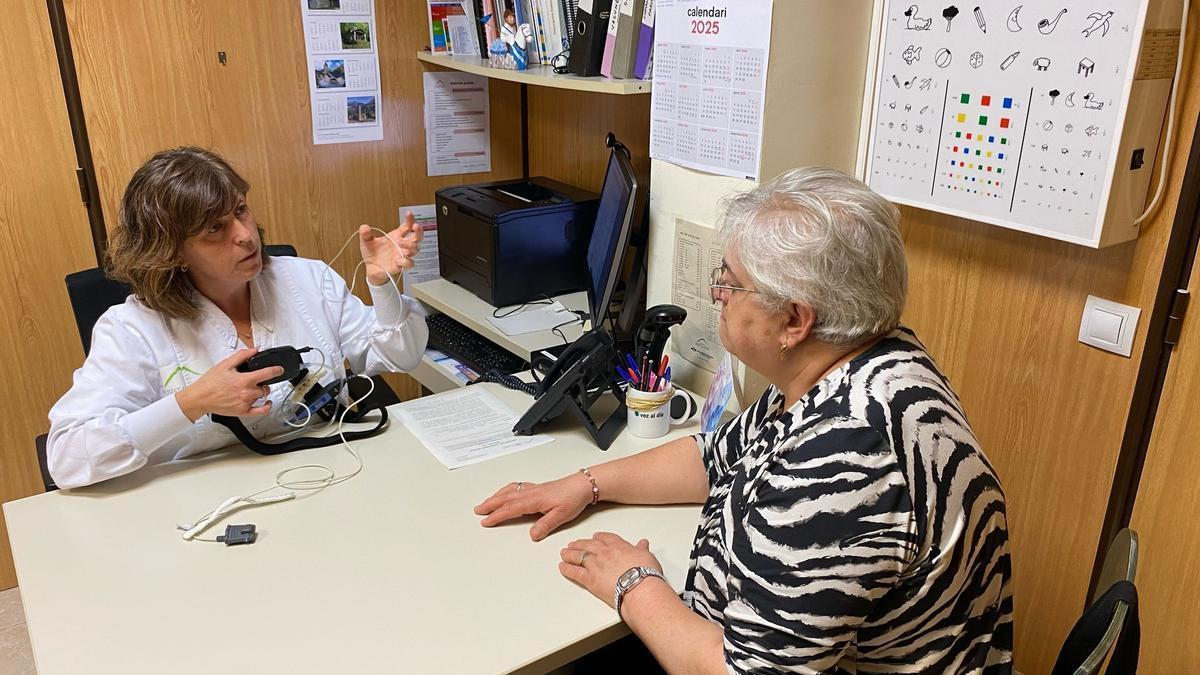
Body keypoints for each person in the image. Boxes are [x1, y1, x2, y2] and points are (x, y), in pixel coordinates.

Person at [475, 168, 1013, 673]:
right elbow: (717, 456)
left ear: (795, 321)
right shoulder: (871, 361)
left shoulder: (849, 454)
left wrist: (633, 584)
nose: (717, 295)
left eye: (731, 284)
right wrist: (585, 484)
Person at [46, 147, 428, 489]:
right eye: (216, 228)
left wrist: (380, 285)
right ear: (173, 253)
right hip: (206, 505)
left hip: (326, 476)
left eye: (241, 210)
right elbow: (68, 459)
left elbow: (400, 356)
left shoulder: (309, 279)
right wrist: (192, 402)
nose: (245, 235)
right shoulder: (132, 329)